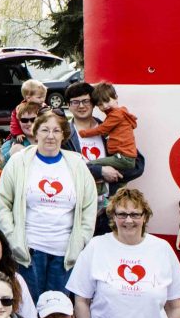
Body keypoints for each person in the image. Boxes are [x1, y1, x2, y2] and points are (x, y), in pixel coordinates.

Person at [67, 188, 180, 318]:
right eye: (122, 214)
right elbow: (81, 301)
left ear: (144, 216)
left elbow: (175, 306)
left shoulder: (162, 249)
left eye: (135, 214)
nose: (128, 220)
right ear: (113, 217)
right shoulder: (96, 246)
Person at [0, 109, 98, 299]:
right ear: (35, 132)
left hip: (64, 254)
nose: (50, 136)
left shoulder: (77, 165)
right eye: (44, 130)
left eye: (56, 131)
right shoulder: (19, 162)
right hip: (28, 253)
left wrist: (80, 240)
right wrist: (13, 240)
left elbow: (89, 207)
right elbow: (3, 205)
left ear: (63, 134)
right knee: (29, 311)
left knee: (57, 312)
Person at [62, 81, 145, 235]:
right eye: (75, 102)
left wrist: (112, 175)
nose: (81, 106)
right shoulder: (63, 134)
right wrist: (99, 171)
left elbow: (137, 165)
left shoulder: (112, 126)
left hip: (109, 207)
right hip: (78, 208)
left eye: (85, 101)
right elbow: (64, 168)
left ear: (94, 103)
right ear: (68, 105)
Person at [77, 82, 140, 195]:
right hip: (124, 157)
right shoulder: (118, 113)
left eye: (107, 101)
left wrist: (83, 133)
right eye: (100, 104)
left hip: (122, 158)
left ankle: (101, 193)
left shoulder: (116, 115)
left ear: (115, 97)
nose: (105, 106)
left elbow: (102, 129)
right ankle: (111, 197)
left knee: (92, 165)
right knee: (119, 185)